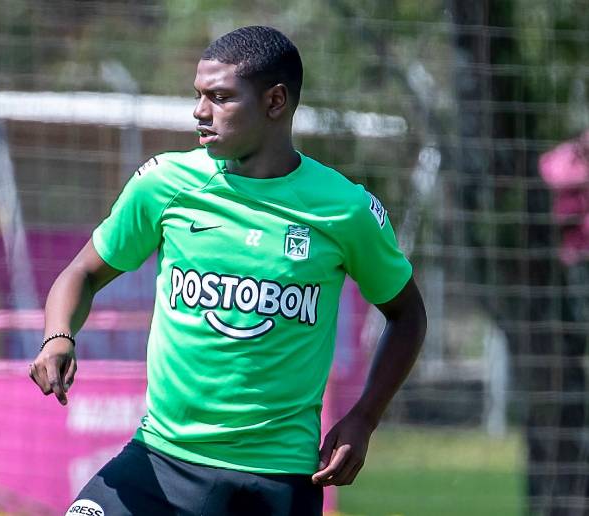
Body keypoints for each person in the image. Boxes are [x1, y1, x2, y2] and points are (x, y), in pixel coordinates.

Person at [29, 25, 426, 516]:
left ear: (275, 102)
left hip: (277, 480)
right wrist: (57, 336)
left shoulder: (345, 210)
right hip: (161, 461)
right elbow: (82, 273)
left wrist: (365, 417)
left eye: (219, 97)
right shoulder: (166, 183)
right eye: (198, 95)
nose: (199, 111)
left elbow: (407, 314)